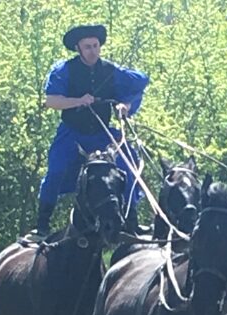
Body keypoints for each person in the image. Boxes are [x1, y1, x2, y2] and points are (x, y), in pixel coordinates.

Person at [27, 23, 150, 242]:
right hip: (72, 133)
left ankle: (131, 223)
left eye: (95, 45)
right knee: (56, 170)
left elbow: (135, 88)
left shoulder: (112, 71)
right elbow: (51, 100)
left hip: (103, 136)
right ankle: (42, 225)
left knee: (129, 165)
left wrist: (125, 106)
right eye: (88, 47)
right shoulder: (64, 70)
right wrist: (78, 101)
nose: (93, 50)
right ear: (79, 48)